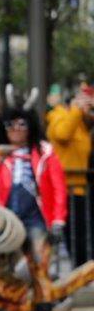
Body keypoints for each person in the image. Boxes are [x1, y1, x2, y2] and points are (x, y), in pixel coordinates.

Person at [0, 106, 68, 311]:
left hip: (35, 218)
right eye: (11, 125)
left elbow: (58, 187)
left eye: (22, 125)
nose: (16, 130)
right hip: (3, 217)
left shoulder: (45, 152)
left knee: (39, 262)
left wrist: (58, 220)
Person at [46, 88, 94, 263]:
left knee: (82, 236)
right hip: (66, 189)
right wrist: (76, 109)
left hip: (80, 189)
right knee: (75, 238)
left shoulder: (81, 122)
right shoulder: (57, 115)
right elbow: (63, 134)